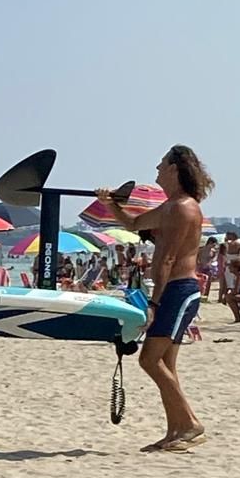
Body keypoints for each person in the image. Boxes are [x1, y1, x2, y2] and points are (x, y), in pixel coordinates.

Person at [95, 144, 212, 453]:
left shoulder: (182, 208)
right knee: (166, 364)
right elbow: (133, 224)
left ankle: (190, 424)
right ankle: (176, 431)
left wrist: (153, 303)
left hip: (179, 290)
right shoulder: (171, 206)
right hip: (174, 290)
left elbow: (168, 259)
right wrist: (111, 204)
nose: (157, 169)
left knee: (149, 360)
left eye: (161, 164)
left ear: (174, 168)